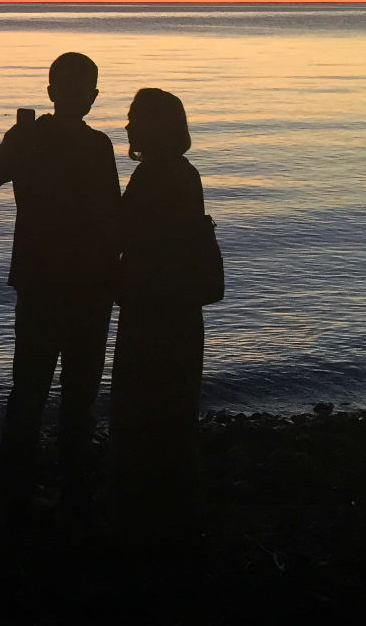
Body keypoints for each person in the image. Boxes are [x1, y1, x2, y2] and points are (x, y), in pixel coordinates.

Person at [0, 52, 121, 515]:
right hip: (80, 284)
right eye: (79, 88)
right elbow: (113, 219)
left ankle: (21, 488)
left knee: (37, 388)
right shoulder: (86, 144)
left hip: (51, 281)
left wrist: (15, 142)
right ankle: (66, 486)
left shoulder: (44, 140)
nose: (79, 96)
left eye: (80, 88)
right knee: (68, 391)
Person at [109, 87, 207, 549]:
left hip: (151, 309)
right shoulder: (186, 173)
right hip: (182, 309)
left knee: (141, 403)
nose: (127, 126)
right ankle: (173, 504)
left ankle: (143, 514)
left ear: (155, 124)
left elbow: (123, 230)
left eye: (134, 118)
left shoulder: (152, 176)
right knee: (175, 405)